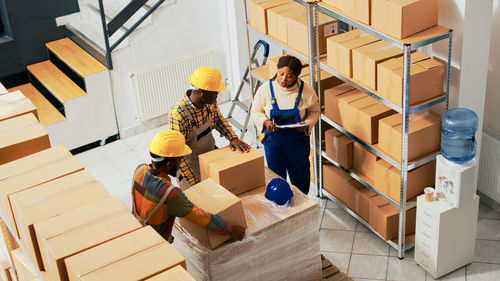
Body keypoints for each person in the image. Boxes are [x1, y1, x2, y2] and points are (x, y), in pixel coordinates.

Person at [131, 130, 246, 243]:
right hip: (156, 243)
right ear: (169, 164)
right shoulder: (169, 193)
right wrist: (230, 230)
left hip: (140, 230)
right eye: (179, 160)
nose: (181, 163)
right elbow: (199, 216)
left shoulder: (139, 169)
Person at [169, 66, 251, 189]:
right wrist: (195, 183)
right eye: (215, 92)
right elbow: (178, 155)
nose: (217, 94)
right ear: (203, 93)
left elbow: (218, 120)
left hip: (210, 160)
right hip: (190, 170)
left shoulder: (209, 102)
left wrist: (233, 138)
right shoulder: (179, 116)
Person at [250, 55, 320, 195]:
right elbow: (255, 110)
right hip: (274, 144)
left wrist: (306, 124)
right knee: (276, 178)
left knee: (300, 179)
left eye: (289, 76)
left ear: (296, 77)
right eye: (281, 74)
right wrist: (265, 121)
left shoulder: (306, 91)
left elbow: (315, 112)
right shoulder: (265, 89)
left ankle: (301, 206)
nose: (283, 79)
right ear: (277, 71)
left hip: (298, 144)